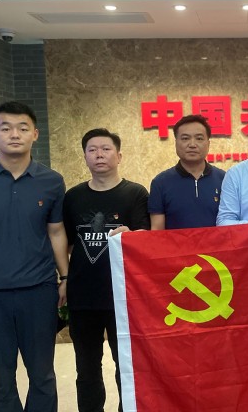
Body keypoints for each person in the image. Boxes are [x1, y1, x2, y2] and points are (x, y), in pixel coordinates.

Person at [0, 101, 68, 412]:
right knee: (1, 379)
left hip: (39, 292)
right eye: (6, 128)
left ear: (35, 134)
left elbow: (56, 232)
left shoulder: (51, 181)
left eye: (23, 128)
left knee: (42, 376)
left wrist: (65, 277)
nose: (15, 134)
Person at [63, 128, 150, 412]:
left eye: (106, 149)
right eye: (92, 150)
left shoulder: (135, 193)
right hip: (82, 296)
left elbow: (147, 237)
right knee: (86, 369)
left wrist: (132, 235)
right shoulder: (73, 196)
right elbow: (65, 241)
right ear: (85, 156)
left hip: (124, 297)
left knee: (126, 366)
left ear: (119, 156)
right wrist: (64, 278)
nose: (99, 155)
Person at [149, 115, 225, 229]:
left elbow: (231, 224)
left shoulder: (224, 179)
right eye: (185, 138)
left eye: (199, 138)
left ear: (208, 144)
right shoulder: (160, 183)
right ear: (176, 143)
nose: (192, 144)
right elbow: (157, 230)